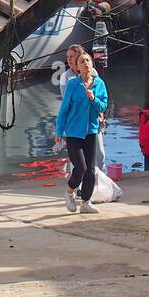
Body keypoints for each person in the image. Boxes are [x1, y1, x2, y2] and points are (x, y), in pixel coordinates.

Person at [54, 51, 108, 213]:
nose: (85, 63)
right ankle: (70, 192)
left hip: (91, 130)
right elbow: (64, 110)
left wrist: (93, 98)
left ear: (91, 64)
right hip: (73, 132)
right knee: (80, 167)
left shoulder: (99, 84)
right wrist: (59, 131)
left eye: (87, 61)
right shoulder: (73, 85)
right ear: (77, 67)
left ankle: (86, 201)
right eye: (82, 62)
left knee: (91, 169)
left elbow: (103, 106)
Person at [58, 43, 105, 171]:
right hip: (76, 122)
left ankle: (99, 181)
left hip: (93, 119)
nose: (69, 59)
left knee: (100, 155)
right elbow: (66, 103)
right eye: (67, 57)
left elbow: (100, 95)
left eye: (72, 56)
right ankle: (78, 186)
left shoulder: (92, 72)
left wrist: (101, 115)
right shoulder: (66, 77)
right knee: (79, 159)